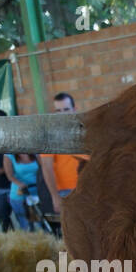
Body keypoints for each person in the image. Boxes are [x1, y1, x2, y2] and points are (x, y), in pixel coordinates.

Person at [37, 92, 89, 225]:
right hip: (66, 193)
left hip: (89, 188)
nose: (62, 114)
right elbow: (47, 168)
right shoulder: (51, 135)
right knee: (74, 230)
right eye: (58, 111)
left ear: (74, 109)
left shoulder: (86, 131)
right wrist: (55, 197)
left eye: (66, 109)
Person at [4, 152, 43, 231]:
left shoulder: (35, 153)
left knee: (41, 223)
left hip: (36, 193)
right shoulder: (9, 155)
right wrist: (20, 184)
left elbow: (43, 169)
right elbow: (9, 175)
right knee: (26, 225)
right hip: (20, 194)